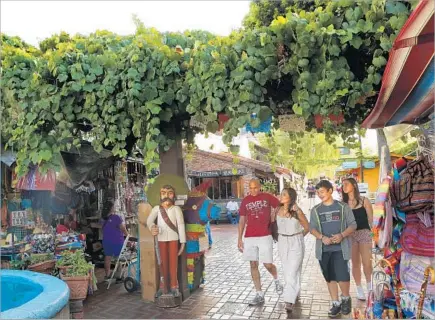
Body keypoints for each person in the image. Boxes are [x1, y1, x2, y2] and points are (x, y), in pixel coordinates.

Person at [310, 180, 357, 318]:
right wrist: (321, 237)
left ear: (330, 190)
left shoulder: (343, 207)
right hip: (324, 250)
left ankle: (346, 298)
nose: (319, 194)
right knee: (330, 277)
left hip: (340, 249)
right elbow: (312, 228)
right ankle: (335, 303)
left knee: (342, 276)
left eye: (322, 191)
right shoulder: (316, 210)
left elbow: (353, 225)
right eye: (317, 192)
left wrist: (342, 235)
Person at [238, 179, 283, 306]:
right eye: (250, 188)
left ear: (260, 187)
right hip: (250, 236)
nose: (253, 190)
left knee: (268, 264)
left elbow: (280, 205)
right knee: (253, 264)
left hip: (265, 235)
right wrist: (239, 238)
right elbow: (242, 220)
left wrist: (273, 214)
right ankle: (259, 294)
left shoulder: (267, 197)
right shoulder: (245, 200)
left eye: (255, 187)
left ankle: (276, 279)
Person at [147, 185, 186, 297]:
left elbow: (181, 225)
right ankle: (163, 286)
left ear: (173, 195)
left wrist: (182, 242)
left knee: (173, 263)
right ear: (160, 195)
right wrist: (152, 227)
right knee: (162, 263)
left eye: (170, 193)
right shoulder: (156, 209)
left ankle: (174, 286)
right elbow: (149, 221)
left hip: (174, 239)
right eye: (164, 193)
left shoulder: (176, 209)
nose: (166, 196)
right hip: (161, 238)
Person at [275, 188, 309, 312]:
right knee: (287, 269)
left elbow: (307, 227)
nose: (281, 196)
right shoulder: (277, 210)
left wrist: (298, 237)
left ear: (291, 197)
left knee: (293, 270)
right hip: (282, 241)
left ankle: (289, 300)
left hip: (296, 241)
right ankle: (296, 291)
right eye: (281, 193)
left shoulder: (296, 210)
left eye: (284, 194)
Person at [341, 177, 373, 301]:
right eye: (343, 185)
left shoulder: (364, 201)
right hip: (350, 235)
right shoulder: (343, 204)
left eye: (346, 184)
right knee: (355, 263)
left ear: (354, 185)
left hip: (364, 233)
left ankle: (370, 287)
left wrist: (373, 237)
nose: (344, 187)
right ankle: (359, 289)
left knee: (367, 263)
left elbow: (371, 221)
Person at [102, 200, 128, 281]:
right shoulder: (116, 217)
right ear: (111, 208)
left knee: (107, 257)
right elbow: (123, 228)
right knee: (118, 258)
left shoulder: (102, 218)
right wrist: (127, 235)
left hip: (106, 241)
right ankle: (119, 276)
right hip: (117, 241)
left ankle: (107, 275)